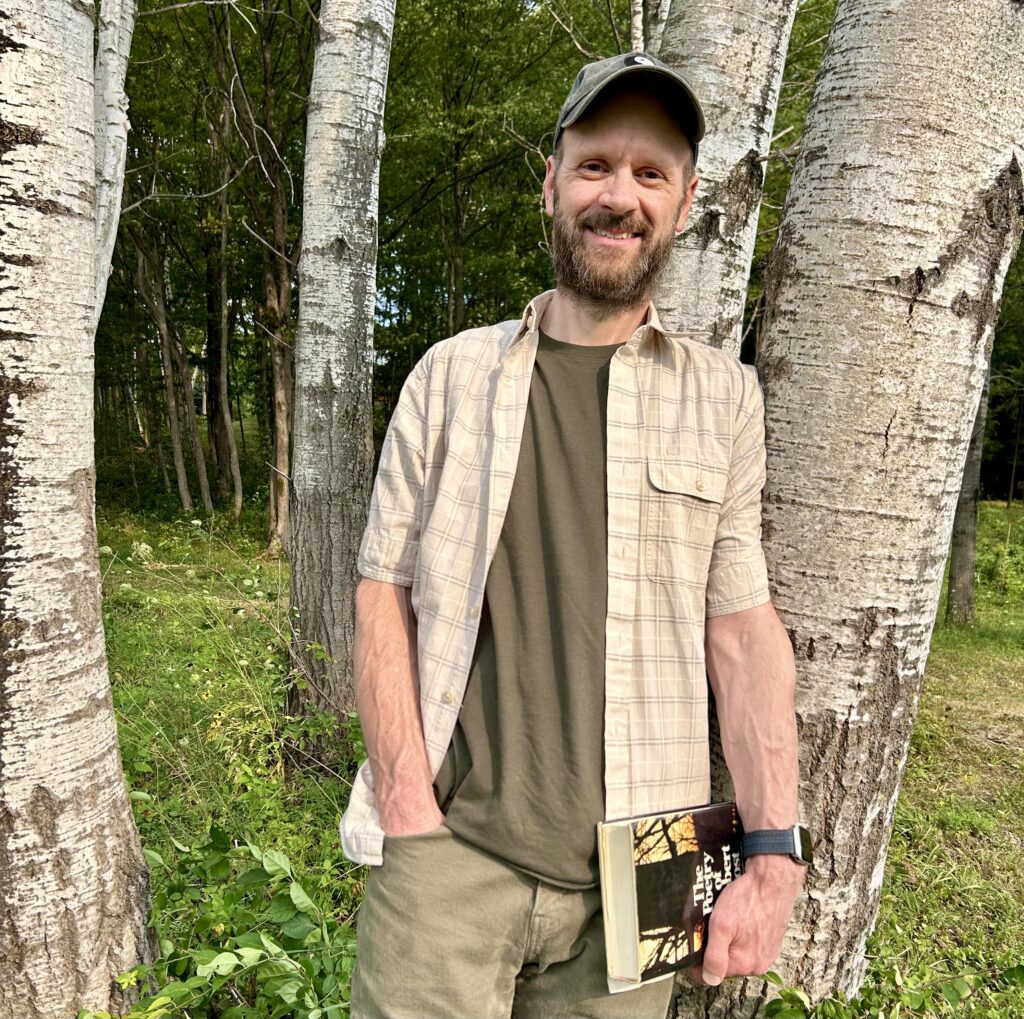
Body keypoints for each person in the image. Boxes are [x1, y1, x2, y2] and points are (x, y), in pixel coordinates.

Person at [341, 50, 808, 1019]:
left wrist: (773, 850)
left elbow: (742, 627)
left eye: (651, 174)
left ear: (682, 206)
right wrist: (403, 804)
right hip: (451, 855)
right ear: (551, 184)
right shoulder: (450, 374)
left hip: (654, 866)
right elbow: (381, 585)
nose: (619, 196)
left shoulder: (724, 397)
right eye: (595, 165)